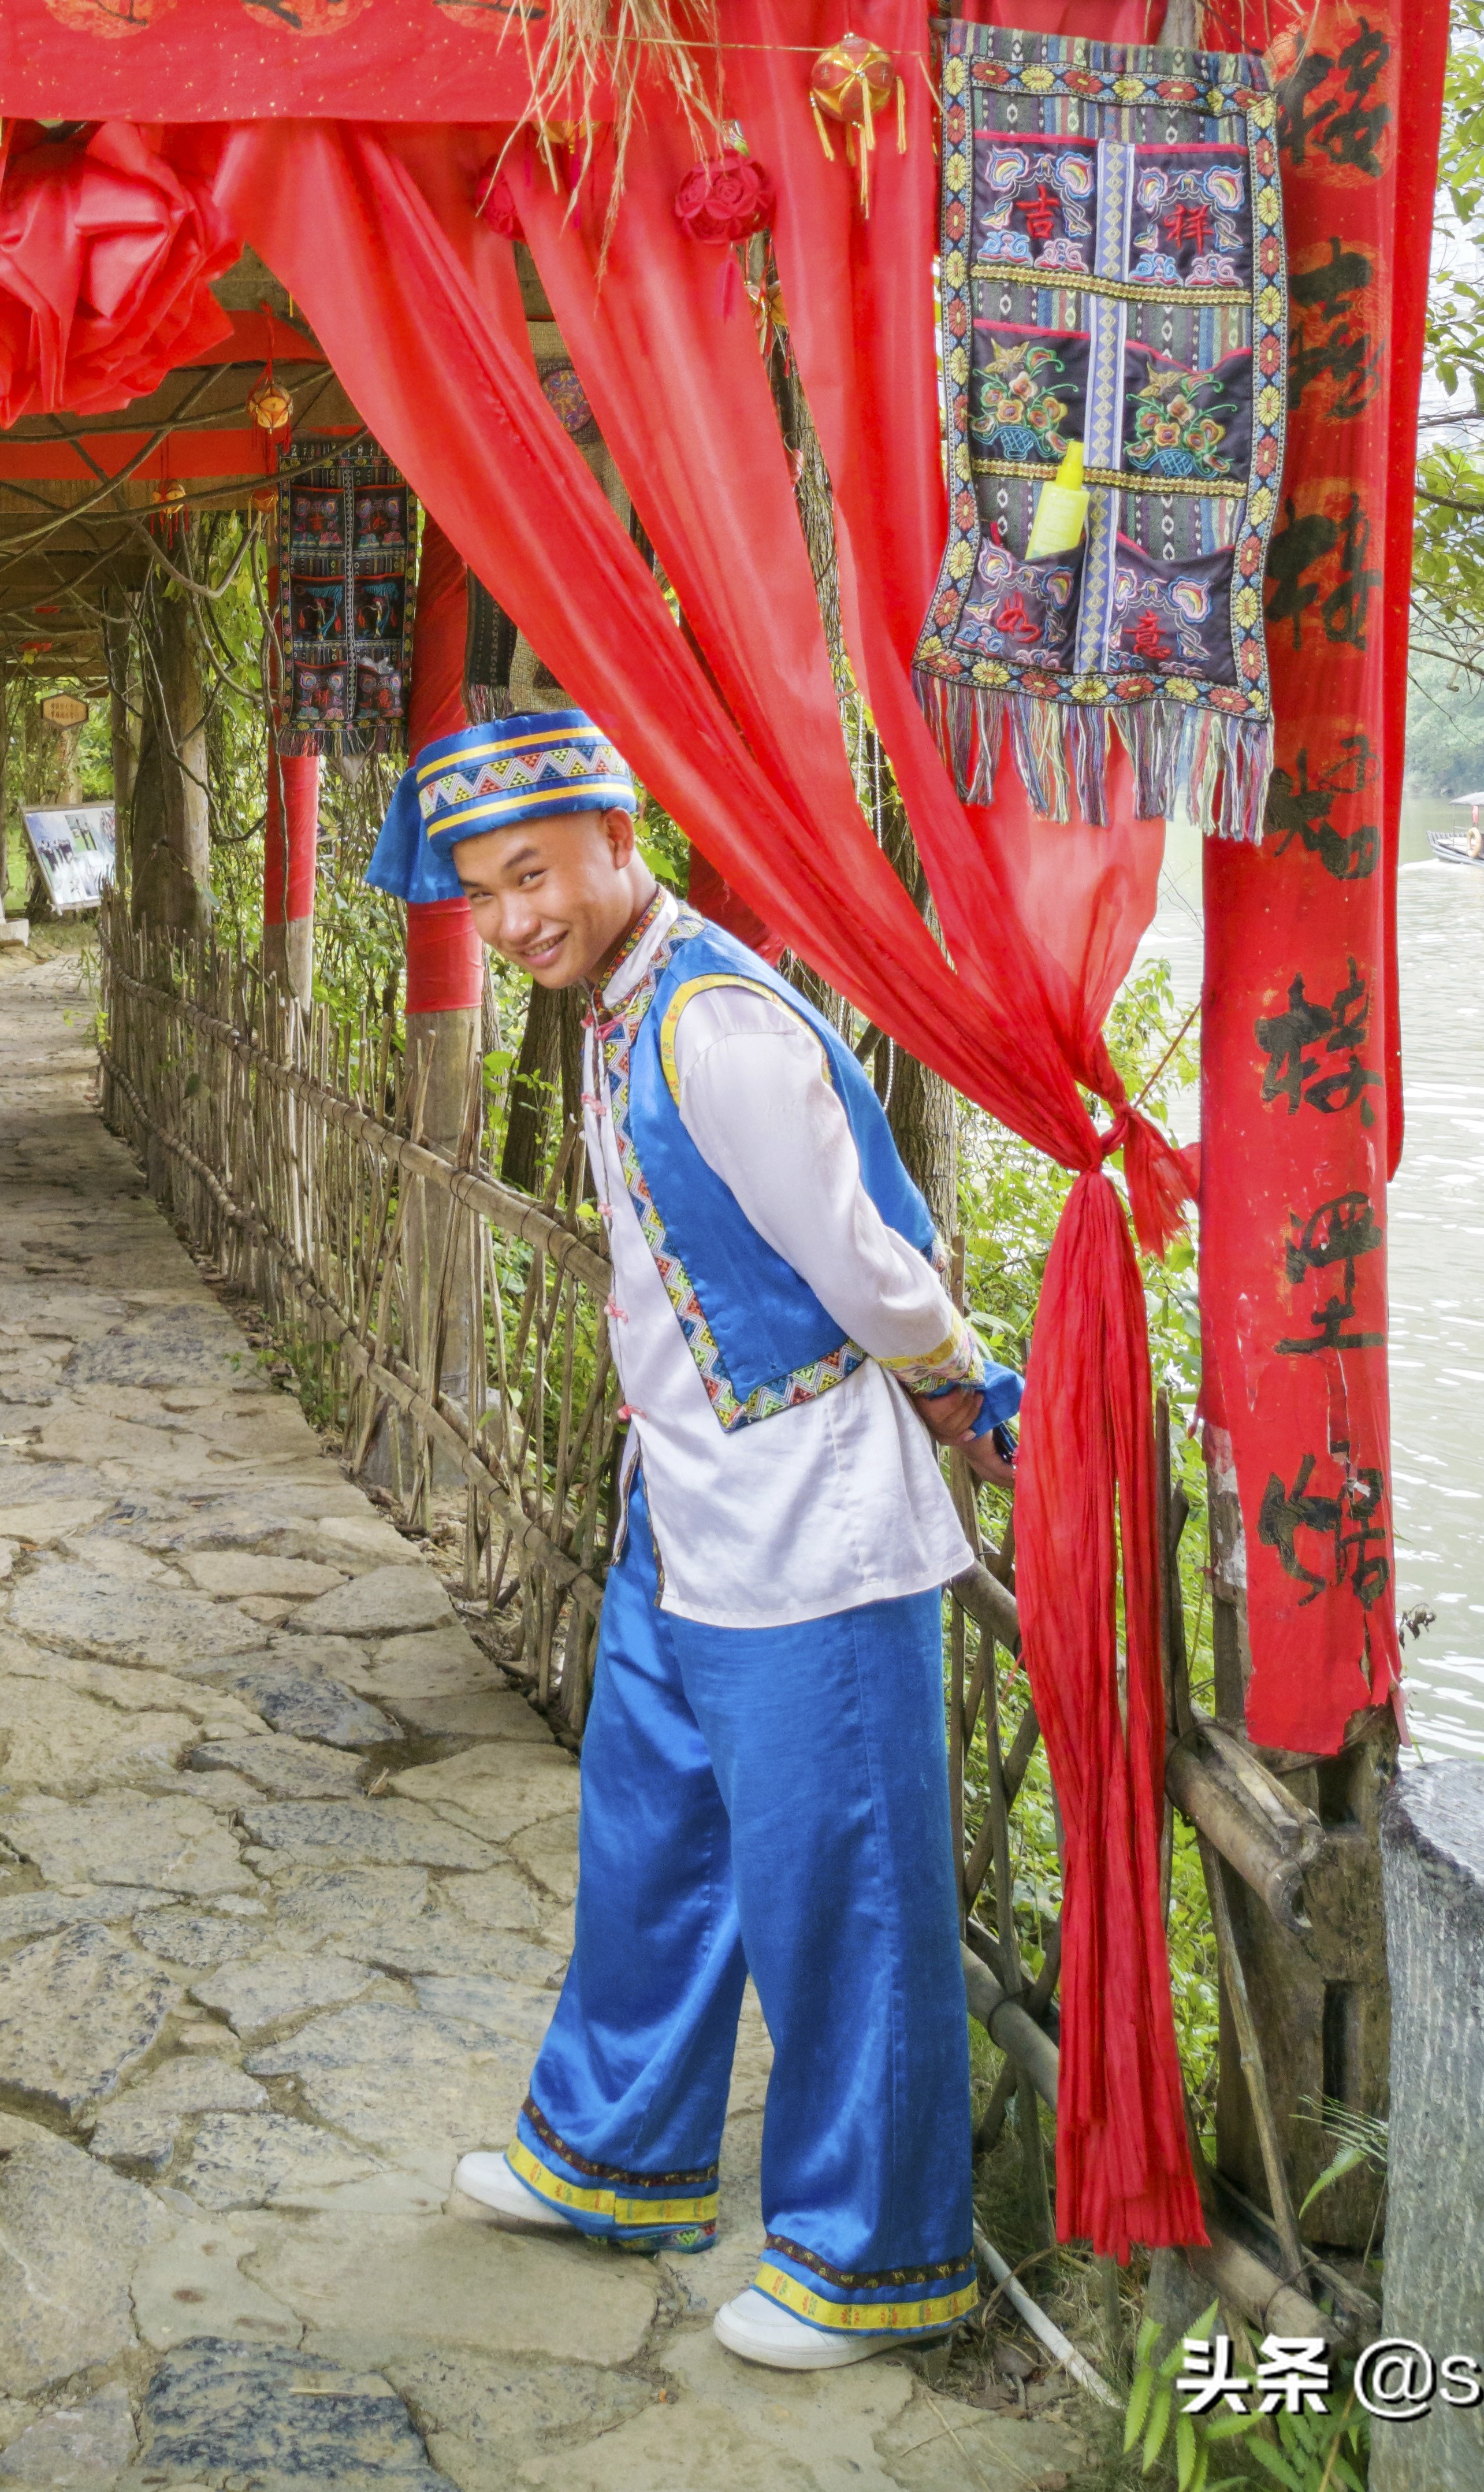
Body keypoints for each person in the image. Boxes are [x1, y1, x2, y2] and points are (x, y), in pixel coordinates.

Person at [371, 709, 1021, 2372]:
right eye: (483, 888)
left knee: (843, 1882)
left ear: (616, 832)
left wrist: (963, 1392)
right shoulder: (615, 1002)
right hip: (689, 1502)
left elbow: (866, 1264)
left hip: (811, 1521)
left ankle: (876, 2254)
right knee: (648, 1827)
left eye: (534, 871)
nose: (513, 915)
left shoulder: (716, 1019)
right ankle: (615, 2152)